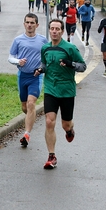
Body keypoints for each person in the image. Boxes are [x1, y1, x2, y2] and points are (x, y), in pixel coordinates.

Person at [36, 18, 86, 169]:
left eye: (58, 29)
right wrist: (40, 69)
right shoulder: (45, 48)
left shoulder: (70, 48)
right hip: (51, 88)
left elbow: (82, 66)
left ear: (62, 31)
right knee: (49, 121)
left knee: (65, 124)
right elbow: (45, 64)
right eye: (52, 28)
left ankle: (70, 130)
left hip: (66, 90)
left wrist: (70, 64)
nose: (54, 31)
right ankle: (51, 156)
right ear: (49, 30)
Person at [8, 13, 48, 147]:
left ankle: (26, 134)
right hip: (22, 76)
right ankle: (30, 119)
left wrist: (42, 68)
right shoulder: (18, 40)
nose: (30, 25)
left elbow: (47, 57)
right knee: (25, 107)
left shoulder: (43, 40)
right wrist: (18, 61)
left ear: (37, 25)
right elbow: (10, 57)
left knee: (31, 104)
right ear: (24, 24)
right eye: (27, 22)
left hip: (36, 76)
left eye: (32, 23)